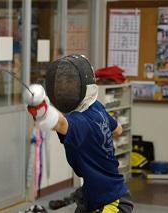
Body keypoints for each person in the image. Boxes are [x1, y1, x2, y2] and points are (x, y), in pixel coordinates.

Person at [25, 55, 134, 212]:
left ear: (84, 85)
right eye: (60, 82)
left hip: (111, 201)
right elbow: (118, 129)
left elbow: (61, 123)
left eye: (70, 82)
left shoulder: (81, 122)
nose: (63, 87)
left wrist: (43, 113)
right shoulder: (97, 107)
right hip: (91, 196)